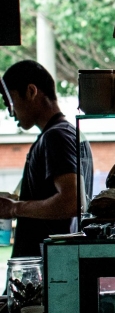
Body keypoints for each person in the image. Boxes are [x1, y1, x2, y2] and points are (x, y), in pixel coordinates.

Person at [0, 60, 93, 257]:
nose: (10, 111)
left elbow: (72, 201)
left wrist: (15, 208)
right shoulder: (70, 133)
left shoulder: (56, 136)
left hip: (46, 270)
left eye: (10, 100)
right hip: (56, 264)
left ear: (31, 91)